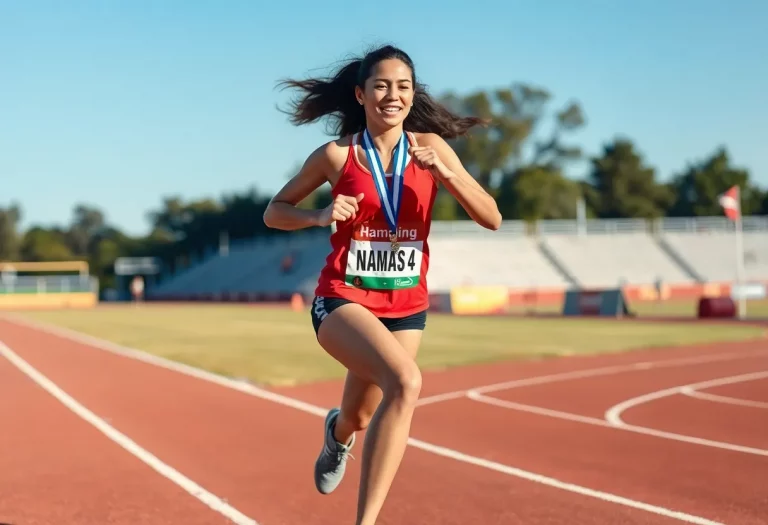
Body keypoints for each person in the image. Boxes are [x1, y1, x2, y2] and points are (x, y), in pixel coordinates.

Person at [263, 44, 501, 525]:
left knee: (363, 417)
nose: (393, 95)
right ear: (361, 93)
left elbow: (491, 216)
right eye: (382, 85)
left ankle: (338, 433)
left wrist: (447, 173)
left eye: (404, 86)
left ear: (413, 95)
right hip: (343, 299)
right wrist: (319, 215)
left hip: (405, 306)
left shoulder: (431, 148)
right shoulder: (338, 155)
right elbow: (274, 212)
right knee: (407, 383)